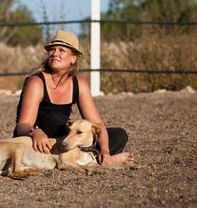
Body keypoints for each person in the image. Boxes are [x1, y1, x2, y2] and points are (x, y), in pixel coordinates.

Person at [13, 29, 134, 165]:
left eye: (61, 50)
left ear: (73, 58)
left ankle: (101, 157)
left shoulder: (80, 84)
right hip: (38, 139)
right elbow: (23, 125)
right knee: (57, 119)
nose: (55, 54)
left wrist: (105, 150)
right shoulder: (36, 82)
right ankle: (91, 158)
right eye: (52, 50)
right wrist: (35, 131)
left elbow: (97, 124)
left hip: (66, 138)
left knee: (119, 135)